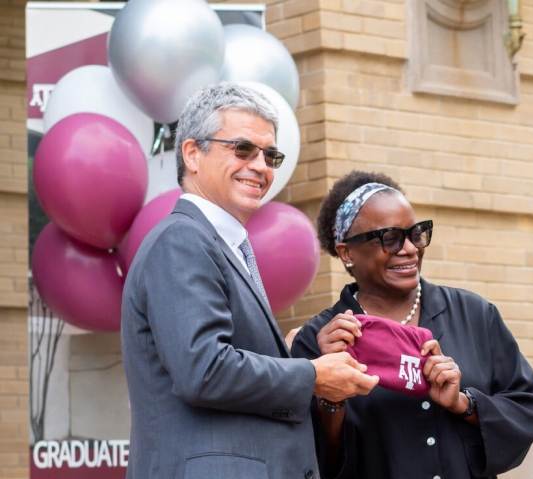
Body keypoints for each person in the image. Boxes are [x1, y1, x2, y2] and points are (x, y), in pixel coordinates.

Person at [120, 84, 378, 479]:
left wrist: (297, 353)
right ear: (192, 153)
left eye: (270, 155)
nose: (261, 166)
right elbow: (204, 370)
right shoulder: (182, 240)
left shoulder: (221, 244)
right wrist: (313, 375)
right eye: (242, 149)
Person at [291, 170, 533, 479]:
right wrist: (332, 399)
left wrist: (464, 403)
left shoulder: (474, 315)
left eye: (416, 233)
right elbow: (310, 459)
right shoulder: (319, 343)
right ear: (347, 253)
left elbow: (526, 407)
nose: (411, 248)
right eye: (390, 238)